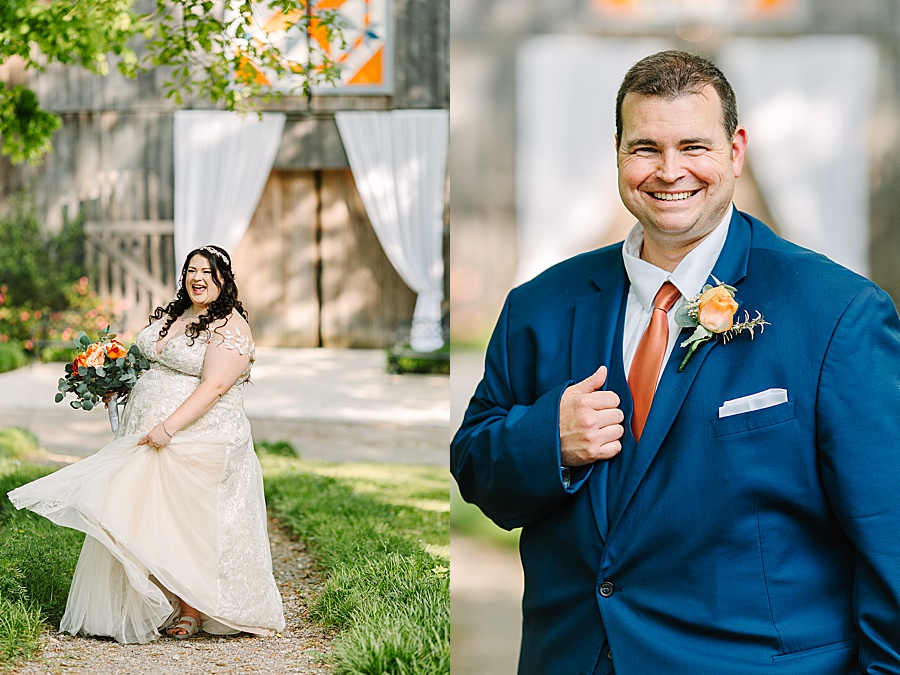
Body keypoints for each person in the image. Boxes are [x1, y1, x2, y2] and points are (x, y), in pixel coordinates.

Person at [451, 50, 900, 674]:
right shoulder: (539, 306)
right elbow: (474, 462)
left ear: (735, 150)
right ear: (617, 151)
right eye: (645, 149)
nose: (670, 172)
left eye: (694, 146)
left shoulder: (837, 313)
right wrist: (547, 438)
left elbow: (889, 536)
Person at [9, 245, 285, 643]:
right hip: (149, 432)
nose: (198, 278)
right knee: (140, 514)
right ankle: (149, 600)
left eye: (207, 271)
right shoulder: (178, 314)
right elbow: (153, 362)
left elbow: (215, 386)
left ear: (223, 279)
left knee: (182, 522)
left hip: (197, 436)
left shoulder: (229, 326)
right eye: (191, 270)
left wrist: (168, 427)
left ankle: (192, 608)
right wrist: (115, 384)